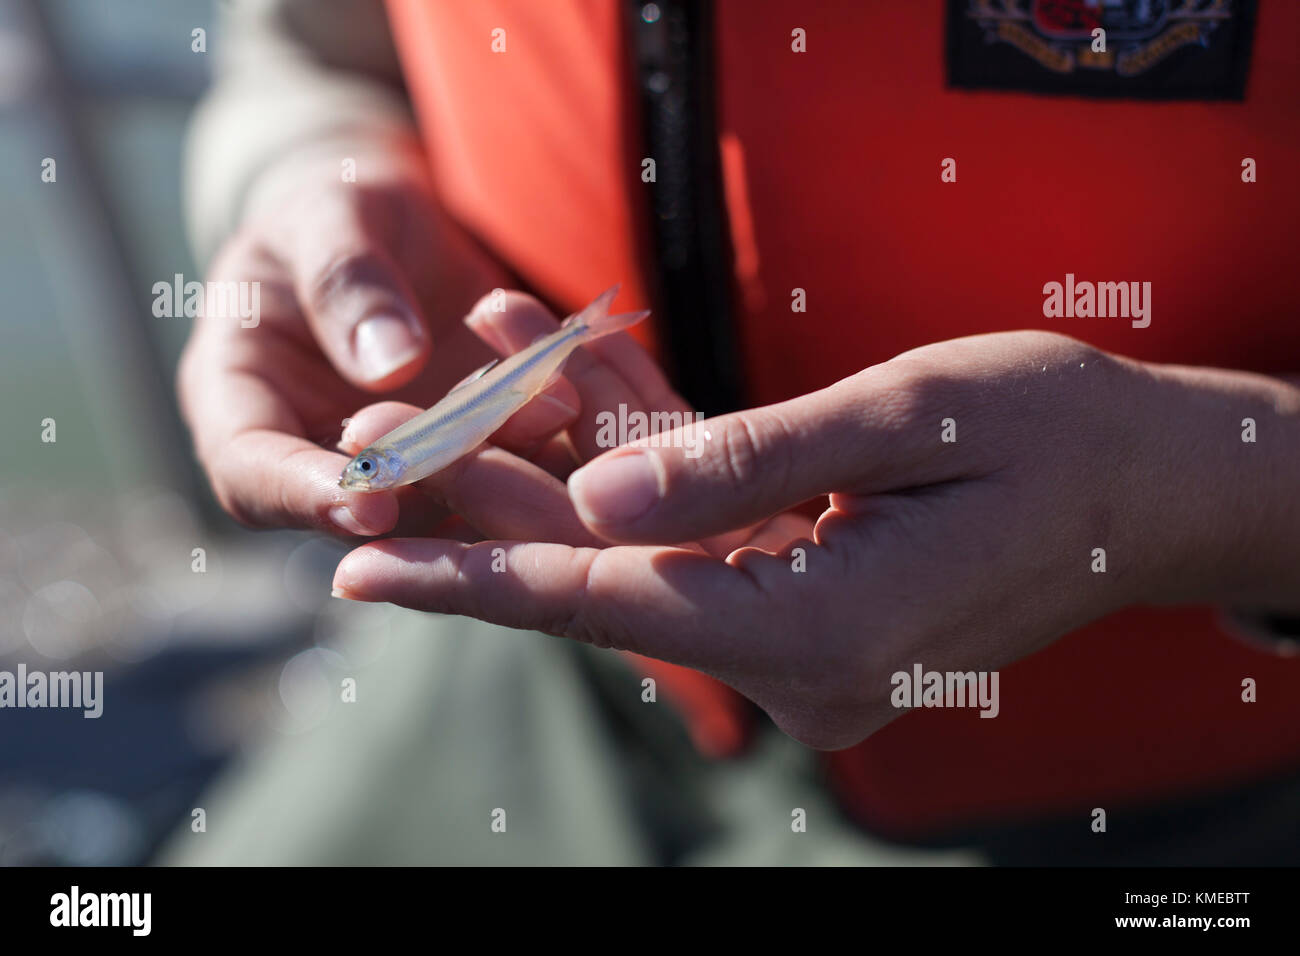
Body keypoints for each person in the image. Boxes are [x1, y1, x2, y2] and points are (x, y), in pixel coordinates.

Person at [170, 0, 1300, 865]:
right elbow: (307, 47)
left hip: (1152, 779)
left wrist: (1183, 490)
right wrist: (307, 175)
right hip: (535, 615)